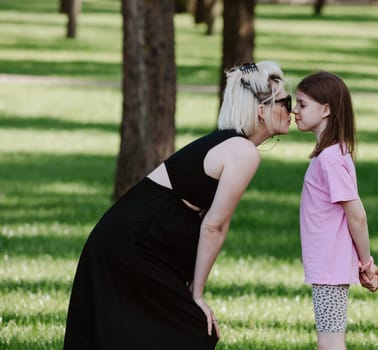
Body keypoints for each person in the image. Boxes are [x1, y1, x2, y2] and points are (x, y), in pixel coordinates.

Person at [63, 61, 293, 349]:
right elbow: (214, 226)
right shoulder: (243, 151)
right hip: (132, 242)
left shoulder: (233, 145)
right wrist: (196, 295)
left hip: (136, 238)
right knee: (192, 329)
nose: (292, 110)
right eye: (286, 101)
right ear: (263, 110)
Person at [293, 71, 378, 350]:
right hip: (328, 265)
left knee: (330, 343)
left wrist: (366, 263)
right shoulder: (333, 153)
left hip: (329, 266)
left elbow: (356, 215)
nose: (294, 111)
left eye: (301, 104)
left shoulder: (331, 159)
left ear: (326, 109)